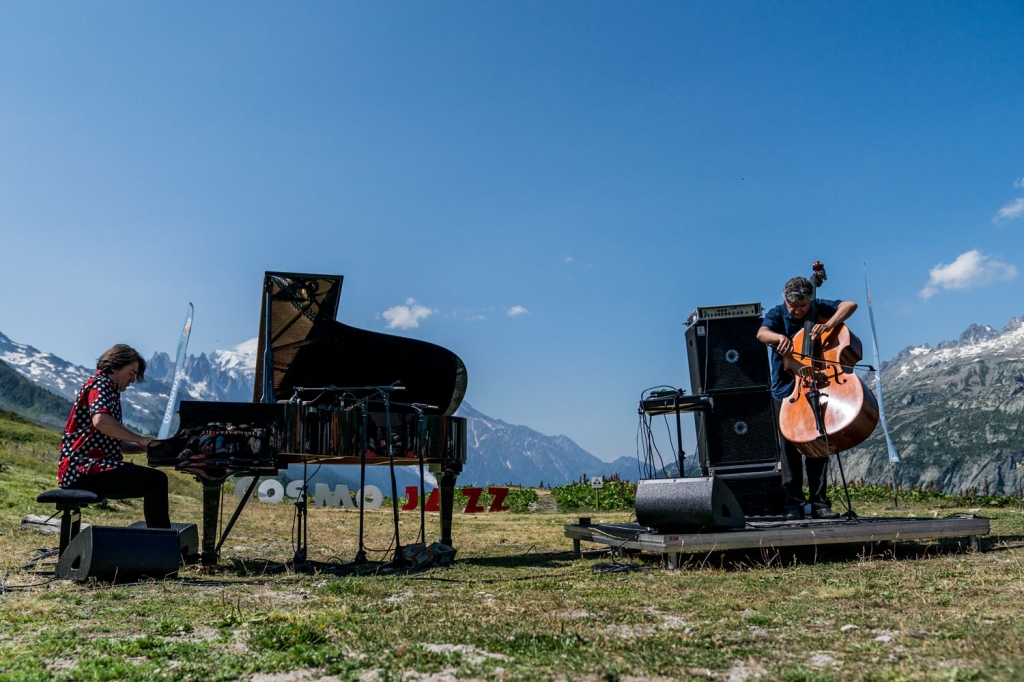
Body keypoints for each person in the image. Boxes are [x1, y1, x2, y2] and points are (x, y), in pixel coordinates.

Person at [757, 276, 857, 521]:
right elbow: (762, 333)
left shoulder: (817, 307)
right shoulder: (778, 314)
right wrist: (779, 338)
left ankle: (820, 503)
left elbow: (850, 305)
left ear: (809, 300)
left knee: (818, 446)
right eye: (793, 305)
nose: (798, 310)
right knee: (790, 450)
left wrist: (829, 324)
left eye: (802, 305)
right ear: (786, 300)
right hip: (787, 391)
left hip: (819, 387)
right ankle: (793, 505)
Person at [58, 344, 171, 528]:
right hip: (82, 469)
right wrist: (139, 438)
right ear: (116, 366)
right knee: (155, 481)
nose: (133, 379)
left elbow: (113, 443)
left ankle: (159, 543)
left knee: (155, 480)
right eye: (131, 372)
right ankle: (162, 547)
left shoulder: (108, 389)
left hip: (87, 468)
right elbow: (101, 421)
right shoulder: (100, 384)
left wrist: (143, 447)